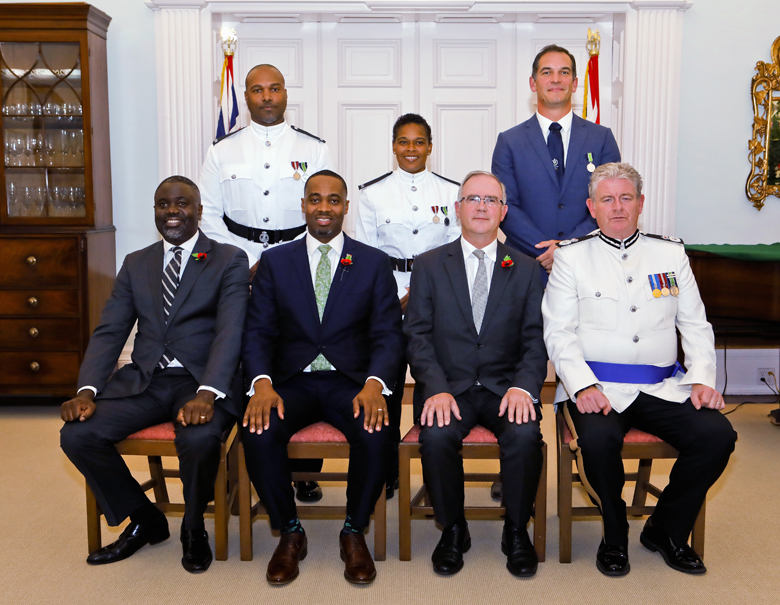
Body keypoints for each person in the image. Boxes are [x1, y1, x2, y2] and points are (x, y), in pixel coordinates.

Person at [542, 162, 737, 577]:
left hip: (662, 386)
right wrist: (581, 386)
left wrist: (702, 379)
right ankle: (614, 537)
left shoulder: (670, 254)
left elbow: (695, 324)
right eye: (607, 199)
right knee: (598, 443)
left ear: (640, 203)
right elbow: (558, 333)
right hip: (597, 388)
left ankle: (665, 530)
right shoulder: (572, 258)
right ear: (592, 207)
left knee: (717, 435)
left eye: (626, 198)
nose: (617, 207)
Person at [60, 176, 249, 573]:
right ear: (156, 212)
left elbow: (230, 332)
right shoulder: (136, 262)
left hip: (201, 381)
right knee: (77, 434)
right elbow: (111, 330)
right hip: (146, 380)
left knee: (199, 438)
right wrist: (87, 390)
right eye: (163, 205)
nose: (172, 212)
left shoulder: (229, 259)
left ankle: (193, 527)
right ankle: (145, 518)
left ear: (199, 211)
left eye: (182, 203)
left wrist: (208, 393)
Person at [241, 170, 404, 586]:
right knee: (258, 430)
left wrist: (374, 384)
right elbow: (258, 331)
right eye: (315, 199)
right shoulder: (276, 262)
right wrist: (261, 383)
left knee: (376, 431)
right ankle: (290, 531)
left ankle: (353, 530)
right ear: (303, 205)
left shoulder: (373, 262)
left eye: (333, 200)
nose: (324, 207)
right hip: (289, 382)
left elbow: (388, 334)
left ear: (346, 206)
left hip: (350, 382)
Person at [199, 62, 334, 502]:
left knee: (302, 350)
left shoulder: (314, 148)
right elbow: (209, 214)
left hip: (298, 261)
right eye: (257, 90)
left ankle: (305, 471)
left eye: (274, 88)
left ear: (285, 94)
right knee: (246, 354)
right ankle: (251, 461)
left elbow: (324, 208)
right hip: (238, 266)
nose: (267, 96)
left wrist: (278, 259)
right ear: (246, 97)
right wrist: (245, 260)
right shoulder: (223, 151)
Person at [404, 171, 548, 578]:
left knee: (525, 436)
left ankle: (516, 530)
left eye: (490, 200)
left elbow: (535, 340)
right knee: (436, 436)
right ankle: (453, 529)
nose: (481, 206)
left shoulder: (525, 268)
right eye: (472, 199)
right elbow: (416, 335)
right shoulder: (429, 264)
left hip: (506, 388)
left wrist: (523, 387)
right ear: (458, 209)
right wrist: (435, 388)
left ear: (503, 211)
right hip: (449, 388)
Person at [355, 113, 461, 498]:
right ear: (393, 146)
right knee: (388, 385)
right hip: (387, 298)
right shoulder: (372, 194)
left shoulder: (451, 193)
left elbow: (455, 253)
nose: (411, 149)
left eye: (418, 142)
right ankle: (386, 471)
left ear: (430, 147)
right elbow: (367, 256)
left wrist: (420, 292)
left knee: (433, 381)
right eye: (403, 141)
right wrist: (391, 296)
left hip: (437, 299)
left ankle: (434, 473)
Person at [492, 44, 620, 276]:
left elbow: (610, 203)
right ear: (533, 83)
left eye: (564, 72)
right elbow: (505, 207)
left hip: (588, 264)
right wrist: (547, 251)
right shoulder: (509, 142)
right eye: (547, 72)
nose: (556, 79)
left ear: (574, 83)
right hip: (526, 265)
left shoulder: (601, 139)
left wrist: (567, 248)